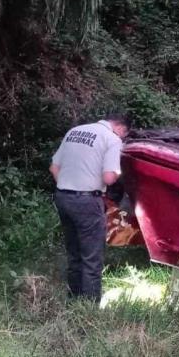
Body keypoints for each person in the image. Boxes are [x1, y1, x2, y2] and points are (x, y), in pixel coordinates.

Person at [49, 114, 131, 300]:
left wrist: (69, 186)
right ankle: (89, 308)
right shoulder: (112, 139)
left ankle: (73, 299)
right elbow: (109, 177)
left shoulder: (74, 131)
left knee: (74, 253)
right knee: (92, 259)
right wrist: (120, 172)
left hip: (63, 197)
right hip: (87, 202)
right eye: (123, 136)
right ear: (121, 129)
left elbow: (54, 168)